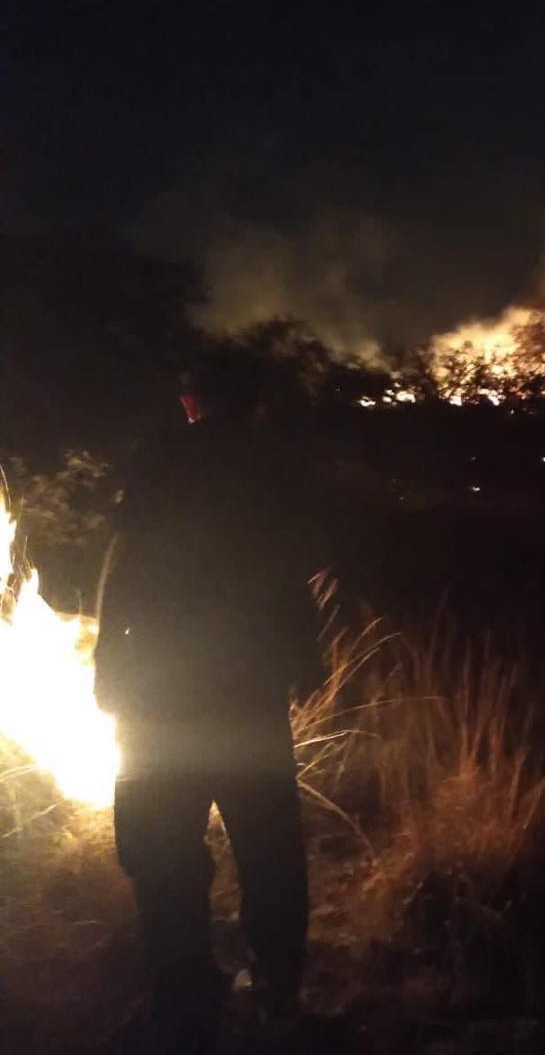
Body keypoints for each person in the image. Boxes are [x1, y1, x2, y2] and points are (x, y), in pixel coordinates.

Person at [95, 361, 325, 1052]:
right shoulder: (274, 466)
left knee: (163, 853)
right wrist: (306, 658)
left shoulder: (163, 458)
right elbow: (292, 573)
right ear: (256, 405)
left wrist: (108, 664)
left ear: (192, 400)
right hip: (247, 691)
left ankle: (182, 999)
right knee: (269, 850)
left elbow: (124, 564)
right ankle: (279, 995)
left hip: (163, 689)